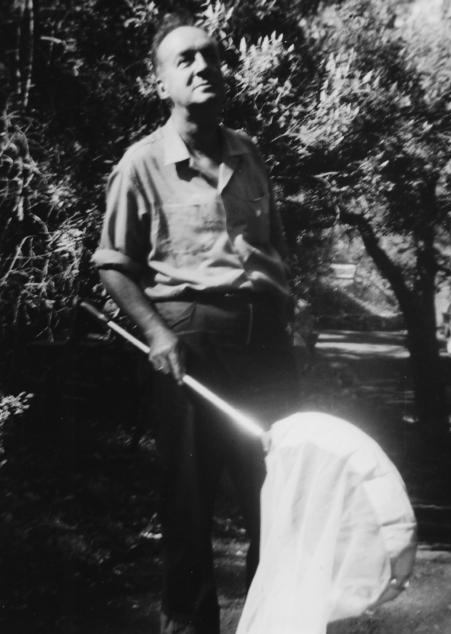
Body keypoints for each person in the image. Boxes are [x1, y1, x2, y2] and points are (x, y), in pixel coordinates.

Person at [92, 15, 298, 634]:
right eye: (184, 61)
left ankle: (276, 621)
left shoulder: (248, 152)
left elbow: (274, 248)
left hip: (265, 345)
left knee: (282, 499)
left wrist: (290, 310)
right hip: (191, 343)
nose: (202, 68)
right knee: (188, 507)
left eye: (209, 57)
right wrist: (158, 334)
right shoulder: (142, 163)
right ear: (161, 83)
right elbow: (111, 264)